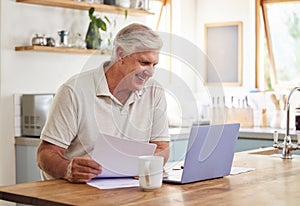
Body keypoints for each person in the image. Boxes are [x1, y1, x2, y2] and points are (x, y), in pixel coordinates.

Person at [36, 23, 170, 183]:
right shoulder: (74, 90)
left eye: (154, 65)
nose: (150, 72)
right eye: (144, 63)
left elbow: (162, 147)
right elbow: (45, 154)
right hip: (75, 192)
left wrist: (148, 166)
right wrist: (67, 169)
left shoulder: (154, 91)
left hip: (126, 192)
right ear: (120, 54)